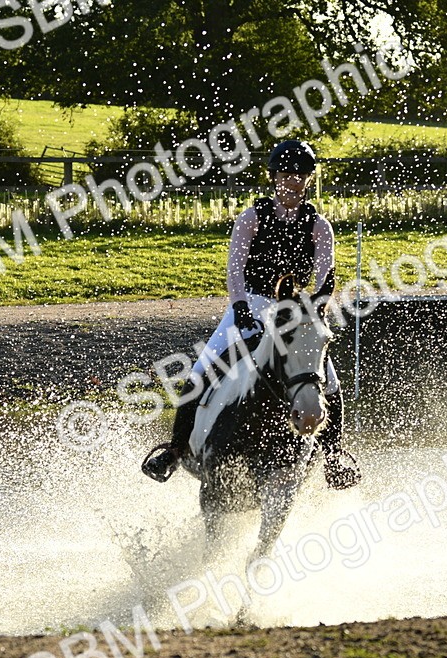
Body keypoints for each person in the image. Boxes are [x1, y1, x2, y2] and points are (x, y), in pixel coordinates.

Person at [141, 139, 360, 490]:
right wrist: (241, 309)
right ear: (273, 176)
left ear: (307, 179)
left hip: (294, 312)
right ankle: (175, 450)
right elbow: (235, 270)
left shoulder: (320, 226)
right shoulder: (252, 217)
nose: (293, 181)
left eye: (300, 175)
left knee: (327, 380)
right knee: (200, 370)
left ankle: (334, 455)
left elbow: (325, 277)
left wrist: (316, 306)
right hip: (251, 303)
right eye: (287, 174)